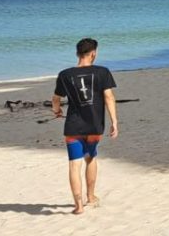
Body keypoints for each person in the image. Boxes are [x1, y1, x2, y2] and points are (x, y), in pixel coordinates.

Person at [51, 38, 119, 215]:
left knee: (74, 164)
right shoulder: (102, 72)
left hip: (73, 125)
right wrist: (114, 121)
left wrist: (57, 111)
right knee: (91, 158)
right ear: (93, 53)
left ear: (77, 54)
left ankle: (78, 206)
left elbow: (56, 99)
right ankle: (91, 196)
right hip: (94, 125)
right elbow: (109, 97)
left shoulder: (65, 74)